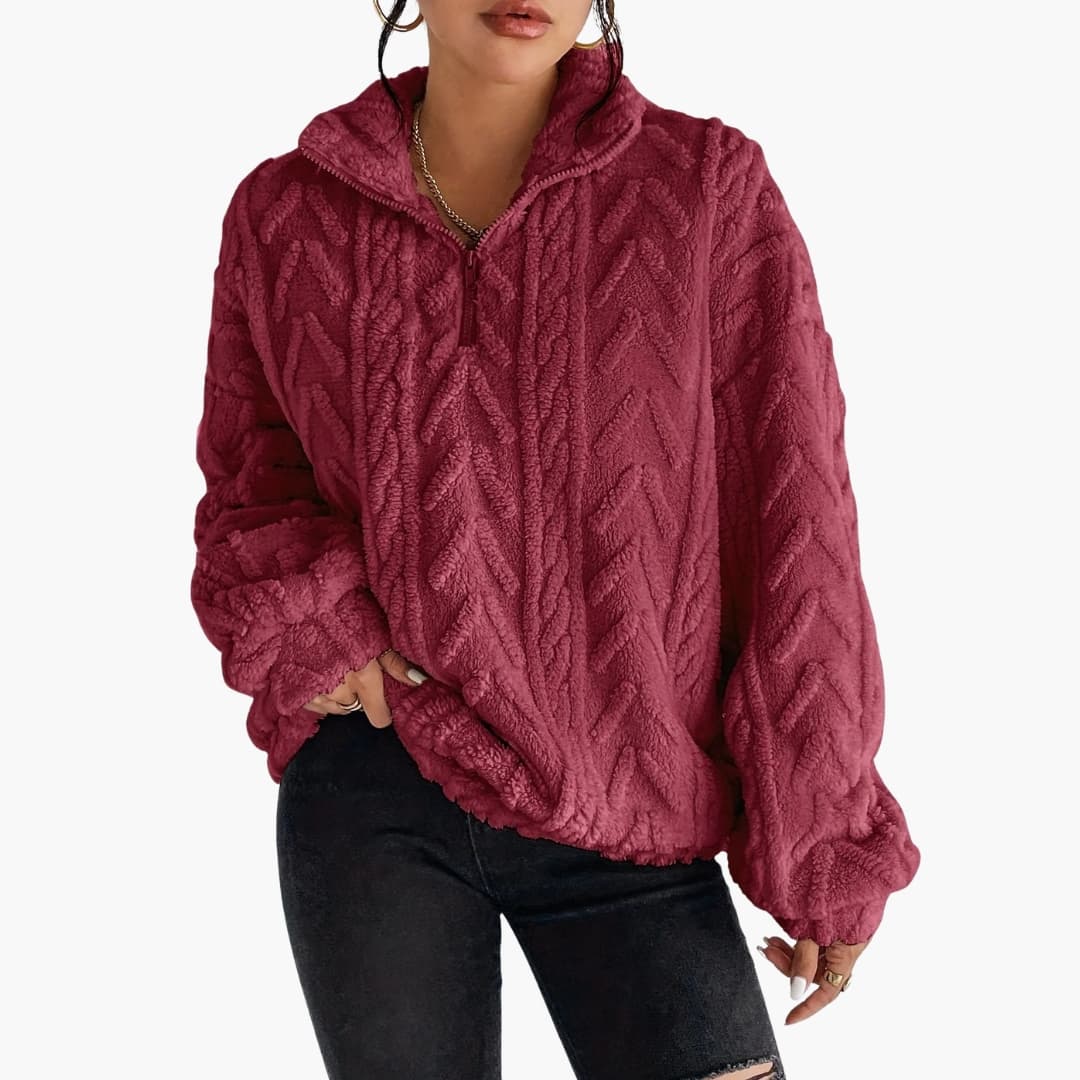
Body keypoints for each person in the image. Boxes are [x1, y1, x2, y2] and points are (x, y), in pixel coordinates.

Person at [189, 2, 921, 1077]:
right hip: (379, 794)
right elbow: (252, 486)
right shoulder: (287, 213)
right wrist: (322, 632)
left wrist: (823, 840)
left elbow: (797, 524)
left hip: (634, 801)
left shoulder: (704, 189)